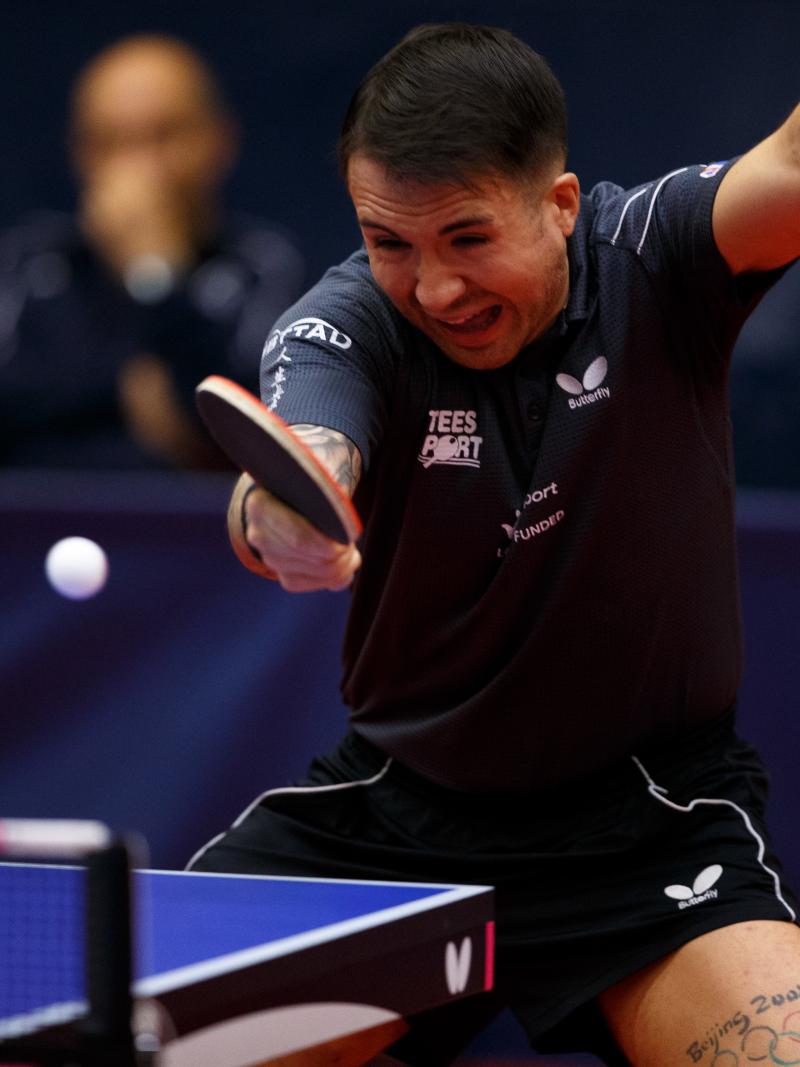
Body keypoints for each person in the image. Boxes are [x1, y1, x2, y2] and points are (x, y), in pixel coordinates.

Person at [189, 23, 800, 1067]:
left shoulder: (658, 256)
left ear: (556, 206)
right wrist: (281, 513)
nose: (432, 289)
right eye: (389, 242)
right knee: (127, 1035)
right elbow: (307, 445)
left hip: (647, 819)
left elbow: (785, 164)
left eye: (466, 238)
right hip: (389, 826)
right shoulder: (349, 323)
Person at [0, 34, 304, 469]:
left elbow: (257, 426)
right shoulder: (27, 265)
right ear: (79, 153)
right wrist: (128, 390)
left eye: (163, 136)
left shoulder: (265, 269)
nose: (137, 169)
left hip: (191, 527)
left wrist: (154, 272)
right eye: (109, 142)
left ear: (219, 140)